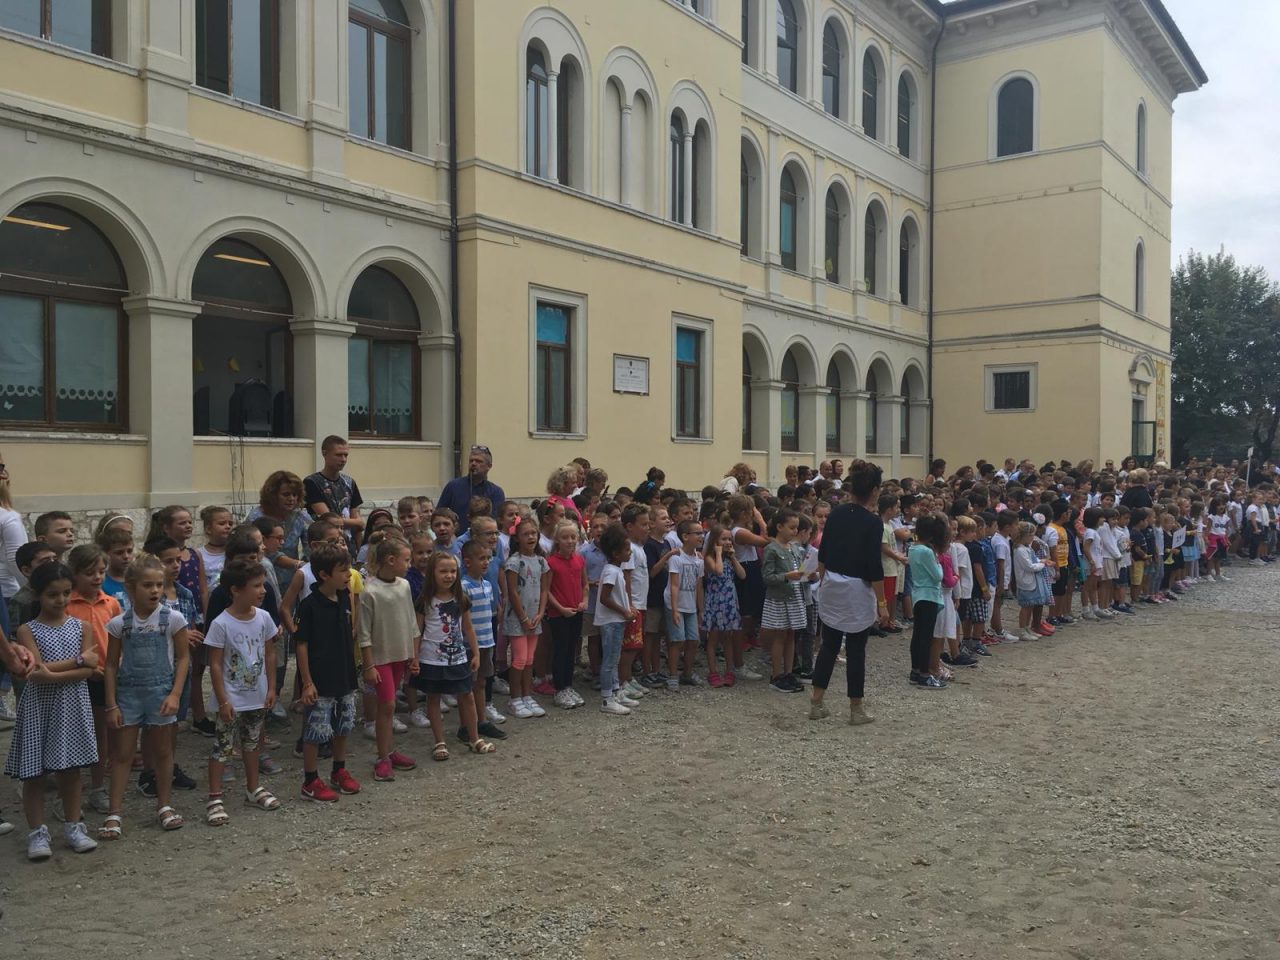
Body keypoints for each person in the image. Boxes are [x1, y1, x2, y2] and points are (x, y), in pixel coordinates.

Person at [4, 561, 101, 860]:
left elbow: (90, 669)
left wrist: (59, 673)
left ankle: (74, 826)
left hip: (72, 705)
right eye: (52, 594)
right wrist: (80, 661)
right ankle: (37, 832)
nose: (60, 600)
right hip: (39, 707)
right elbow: (35, 668)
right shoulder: (26, 630)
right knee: (34, 773)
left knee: (71, 771)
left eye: (65, 593)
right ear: (38, 595)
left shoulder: (82, 627)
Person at [100, 554, 190, 838]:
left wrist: (175, 694)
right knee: (123, 754)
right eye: (147, 585)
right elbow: (111, 665)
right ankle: (115, 812)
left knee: (163, 752)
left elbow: (184, 658)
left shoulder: (173, 619)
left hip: (161, 693)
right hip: (128, 695)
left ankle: (164, 806)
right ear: (130, 588)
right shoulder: (119, 624)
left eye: (158, 585)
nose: (154, 591)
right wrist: (112, 703)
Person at [203, 561, 281, 825]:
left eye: (263, 585)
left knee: (252, 743)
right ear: (236, 590)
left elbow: (270, 653)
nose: (263, 591)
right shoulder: (221, 623)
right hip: (231, 699)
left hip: (256, 696)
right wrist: (222, 699)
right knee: (223, 747)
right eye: (256, 586)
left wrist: (271, 688)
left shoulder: (264, 618)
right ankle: (215, 797)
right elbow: (214, 663)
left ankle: (253, 788)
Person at [810, 459, 883, 725]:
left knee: (829, 645)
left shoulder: (836, 513)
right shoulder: (873, 523)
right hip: (857, 587)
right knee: (856, 649)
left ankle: (817, 702)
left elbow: (824, 551)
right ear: (874, 490)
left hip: (831, 582)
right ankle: (856, 708)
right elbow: (874, 566)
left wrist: (821, 579)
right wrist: (882, 602)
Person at [293, 543, 362, 802]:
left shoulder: (344, 597)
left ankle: (338, 770)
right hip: (319, 679)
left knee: (343, 725)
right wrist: (307, 682)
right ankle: (310, 780)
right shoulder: (309, 606)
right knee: (315, 731)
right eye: (343, 570)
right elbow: (301, 644)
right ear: (324, 575)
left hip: (344, 675)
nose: (349, 575)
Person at [414, 551, 494, 759]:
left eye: (452, 571)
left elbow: (468, 628)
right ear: (433, 573)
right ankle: (439, 741)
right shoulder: (425, 600)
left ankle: (474, 737)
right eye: (443, 571)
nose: (448, 575)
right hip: (431, 658)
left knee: (466, 695)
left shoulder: (461, 598)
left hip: (458, 656)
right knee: (433, 698)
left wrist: (475, 653)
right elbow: (417, 631)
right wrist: (414, 658)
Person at [357, 539, 419, 782]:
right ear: (391, 560)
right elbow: (363, 633)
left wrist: (412, 654)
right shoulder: (369, 591)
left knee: (389, 707)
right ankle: (382, 757)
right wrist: (369, 665)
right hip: (380, 658)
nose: (409, 564)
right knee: (388, 705)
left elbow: (411, 621)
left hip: (399, 656)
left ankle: (389, 751)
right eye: (406, 559)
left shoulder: (404, 585)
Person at [66, 543, 120, 814]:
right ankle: (69, 790)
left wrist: (114, 666)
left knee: (102, 734)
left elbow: (119, 638)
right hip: (77, 677)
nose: (97, 577)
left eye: (101, 571)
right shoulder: (67, 605)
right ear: (75, 574)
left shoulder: (110, 603)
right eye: (90, 573)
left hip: (105, 677)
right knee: (75, 734)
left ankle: (97, 788)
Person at [502, 518, 550, 719]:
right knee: (519, 659)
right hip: (518, 618)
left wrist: (540, 613)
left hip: (534, 617)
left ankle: (527, 695)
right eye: (525, 534)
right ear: (517, 538)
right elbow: (512, 591)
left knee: (530, 659)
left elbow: (545, 589)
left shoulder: (541, 561)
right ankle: (515, 699)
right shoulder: (514, 562)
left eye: (533, 533)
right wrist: (522, 617)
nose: (531, 537)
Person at [761, 510, 806, 694]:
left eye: (796, 528)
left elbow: (800, 570)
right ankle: (776, 675)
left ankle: (788, 673)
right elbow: (767, 577)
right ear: (779, 527)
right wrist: (787, 576)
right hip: (779, 598)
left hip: (794, 596)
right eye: (791, 527)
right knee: (780, 635)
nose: (794, 531)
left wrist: (808, 576)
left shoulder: (795, 548)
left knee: (791, 635)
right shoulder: (771, 549)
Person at [594, 523, 636, 715]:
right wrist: (623, 611)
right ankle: (606, 698)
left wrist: (628, 608)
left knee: (614, 658)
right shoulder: (611, 571)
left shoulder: (616, 569)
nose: (630, 553)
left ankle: (616, 692)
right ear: (616, 553)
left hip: (617, 620)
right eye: (627, 550)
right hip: (611, 621)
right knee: (610, 660)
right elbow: (604, 598)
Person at [545, 521, 587, 710]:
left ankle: (568, 685)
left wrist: (584, 601)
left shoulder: (579, 560)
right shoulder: (551, 562)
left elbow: (584, 584)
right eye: (565, 537)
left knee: (571, 650)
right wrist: (560, 609)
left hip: (576, 612)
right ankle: (559, 688)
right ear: (557, 540)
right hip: (559, 614)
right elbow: (546, 591)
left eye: (573, 537)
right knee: (560, 651)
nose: (570, 541)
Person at [247, 470, 311, 592]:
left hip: (292, 581)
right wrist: (299, 564)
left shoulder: (300, 516)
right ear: (273, 495)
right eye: (286, 494)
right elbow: (263, 552)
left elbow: (312, 542)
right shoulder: (256, 517)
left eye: (295, 494)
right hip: (262, 580)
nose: (291, 499)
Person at [304, 435, 365, 554]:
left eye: (345, 455)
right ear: (325, 453)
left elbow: (357, 525)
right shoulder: (311, 482)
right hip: (324, 548)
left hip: (348, 548)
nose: (343, 459)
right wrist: (358, 522)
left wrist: (360, 553)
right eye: (338, 455)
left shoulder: (350, 482)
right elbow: (327, 519)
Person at [908, 513, 948, 689]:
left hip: (918, 594)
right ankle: (924, 674)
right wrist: (938, 562)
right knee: (926, 637)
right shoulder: (926, 551)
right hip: (929, 595)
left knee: (918, 635)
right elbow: (938, 576)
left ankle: (916, 670)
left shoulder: (912, 548)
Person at [702, 523, 744, 688]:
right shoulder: (709, 558)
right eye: (724, 539)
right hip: (715, 602)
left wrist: (733, 557)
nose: (727, 542)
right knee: (713, 638)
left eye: (729, 539)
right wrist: (718, 553)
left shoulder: (729, 559)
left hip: (729, 603)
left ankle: (729, 670)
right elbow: (718, 571)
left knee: (727, 637)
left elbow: (742, 575)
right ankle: (712, 672)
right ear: (714, 541)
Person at [665, 519, 705, 691]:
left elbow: (699, 586)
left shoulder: (699, 560)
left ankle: (687, 674)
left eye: (702, 533)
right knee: (677, 641)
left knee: (693, 640)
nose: (701, 536)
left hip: (690, 606)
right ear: (685, 536)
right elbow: (674, 584)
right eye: (697, 533)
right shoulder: (676, 558)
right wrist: (674, 610)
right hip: (676, 605)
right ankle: (673, 675)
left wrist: (700, 610)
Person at [437, 444, 506, 536]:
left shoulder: (496, 492)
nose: (473, 464)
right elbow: (439, 514)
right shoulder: (453, 486)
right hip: (457, 542)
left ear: (489, 466)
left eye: (478, 461)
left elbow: (497, 521)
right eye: (471, 461)